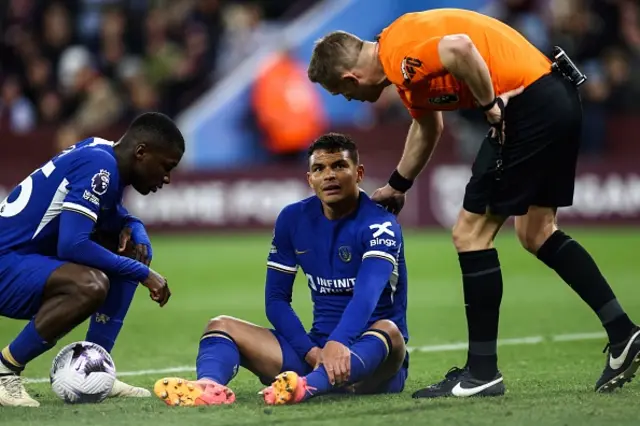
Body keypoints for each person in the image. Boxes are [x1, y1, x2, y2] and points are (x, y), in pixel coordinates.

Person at [306, 8, 640, 398]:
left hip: (525, 106)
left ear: (351, 77)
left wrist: (489, 107)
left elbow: (459, 48)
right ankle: (623, 333)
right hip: (555, 97)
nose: (351, 99)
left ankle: (482, 372)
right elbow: (428, 125)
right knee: (536, 232)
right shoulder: (403, 65)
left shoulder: (400, 55)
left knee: (469, 234)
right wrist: (399, 184)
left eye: (343, 92)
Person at [153, 133, 408, 406]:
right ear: (309, 179)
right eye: (319, 169)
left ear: (358, 173)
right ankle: (209, 387)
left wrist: (339, 343)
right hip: (317, 352)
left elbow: (366, 296)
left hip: (375, 360)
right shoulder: (292, 219)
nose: (329, 175)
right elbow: (275, 300)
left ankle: (307, 387)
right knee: (221, 325)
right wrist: (311, 351)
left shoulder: (381, 225)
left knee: (389, 330)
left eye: (339, 166)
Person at [0, 112, 183, 407]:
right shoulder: (101, 166)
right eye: (166, 166)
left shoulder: (102, 152)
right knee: (90, 285)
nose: (167, 178)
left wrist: (137, 229)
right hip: (6, 264)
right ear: (141, 152)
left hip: (22, 260)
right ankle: (5, 369)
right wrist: (142, 273)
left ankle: (95, 367)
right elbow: (73, 245)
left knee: (131, 249)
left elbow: (113, 214)